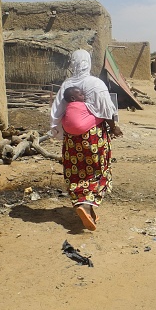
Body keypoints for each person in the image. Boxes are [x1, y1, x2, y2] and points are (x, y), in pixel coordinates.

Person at [50, 49, 123, 232]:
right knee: (98, 169)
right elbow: (107, 109)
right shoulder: (95, 83)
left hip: (71, 140)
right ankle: (88, 205)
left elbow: (56, 113)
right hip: (93, 136)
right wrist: (114, 127)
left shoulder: (66, 85)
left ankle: (82, 204)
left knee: (76, 170)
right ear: (88, 62)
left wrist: (59, 131)